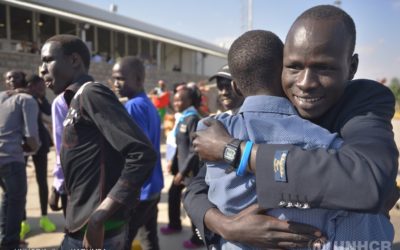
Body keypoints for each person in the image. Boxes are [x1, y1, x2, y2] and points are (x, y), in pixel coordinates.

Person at [184, 5, 399, 249]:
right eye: (294, 66)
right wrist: (225, 225)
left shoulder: (362, 101)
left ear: (351, 67)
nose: (305, 83)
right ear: (279, 70)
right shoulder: (263, 112)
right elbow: (197, 188)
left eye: (324, 67)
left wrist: (236, 150)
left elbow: (368, 180)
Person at [39, 34, 156, 249]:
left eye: (47, 60)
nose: (41, 69)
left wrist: (99, 217)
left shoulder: (91, 93)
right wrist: (60, 186)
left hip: (100, 231)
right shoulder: (72, 102)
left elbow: (142, 153)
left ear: (74, 60)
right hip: (80, 224)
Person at [112, 56, 164, 250]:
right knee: (149, 237)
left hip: (139, 192)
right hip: (153, 185)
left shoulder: (132, 106)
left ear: (139, 80)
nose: (116, 83)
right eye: (114, 78)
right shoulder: (148, 105)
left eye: (121, 78)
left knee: (122, 241)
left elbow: (135, 154)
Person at [160, 85, 204, 249]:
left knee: (192, 203)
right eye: (175, 99)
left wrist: (182, 172)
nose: (176, 102)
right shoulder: (183, 117)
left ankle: (198, 238)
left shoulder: (193, 118)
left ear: (190, 101)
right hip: (181, 168)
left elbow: (194, 149)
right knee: (173, 195)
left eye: (180, 99)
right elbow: (180, 144)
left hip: (190, 171)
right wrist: (172, 161)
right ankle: (175, 225)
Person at [0, 70, 39, 249]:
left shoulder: (1, 97)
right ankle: (11, 243)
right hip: (11, 158)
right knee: (16, 200)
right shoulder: (27, 100)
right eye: (9, 77)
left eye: (14, 77)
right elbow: (31, 136)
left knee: (8, 198)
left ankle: (5, 237)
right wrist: (35, 147)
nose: (11, 80)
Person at [20, 74, 56, 240]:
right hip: (23, 144)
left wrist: (43, 98)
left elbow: (49, 111)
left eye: (44, 87)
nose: (43, 89)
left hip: (40, 145)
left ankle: (44, 217)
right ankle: (23, 221)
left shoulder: (39, 100)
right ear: (30, 86)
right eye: (40, 87)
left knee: (42, 181)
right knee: (21, 184)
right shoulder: (22, 99)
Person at [48, 91, 68, 217]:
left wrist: (58, 183)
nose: (46, 79)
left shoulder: (60, 102)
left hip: (70, 181)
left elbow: (62, 146)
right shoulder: (98, 93)